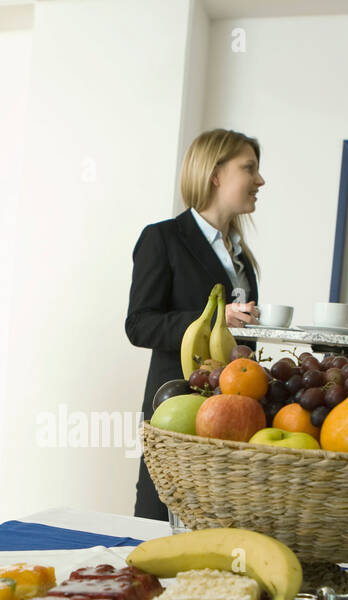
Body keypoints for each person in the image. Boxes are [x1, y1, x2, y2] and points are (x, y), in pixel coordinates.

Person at [125, 128, 264, 520]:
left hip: (234, 406)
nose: (260, 180)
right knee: (159, 512)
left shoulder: (242, 258)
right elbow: (139, 324)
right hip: (176, 403)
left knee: (220, 513)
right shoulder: (162, 239)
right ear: (215, 174)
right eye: (249, 168)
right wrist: (211, 320)